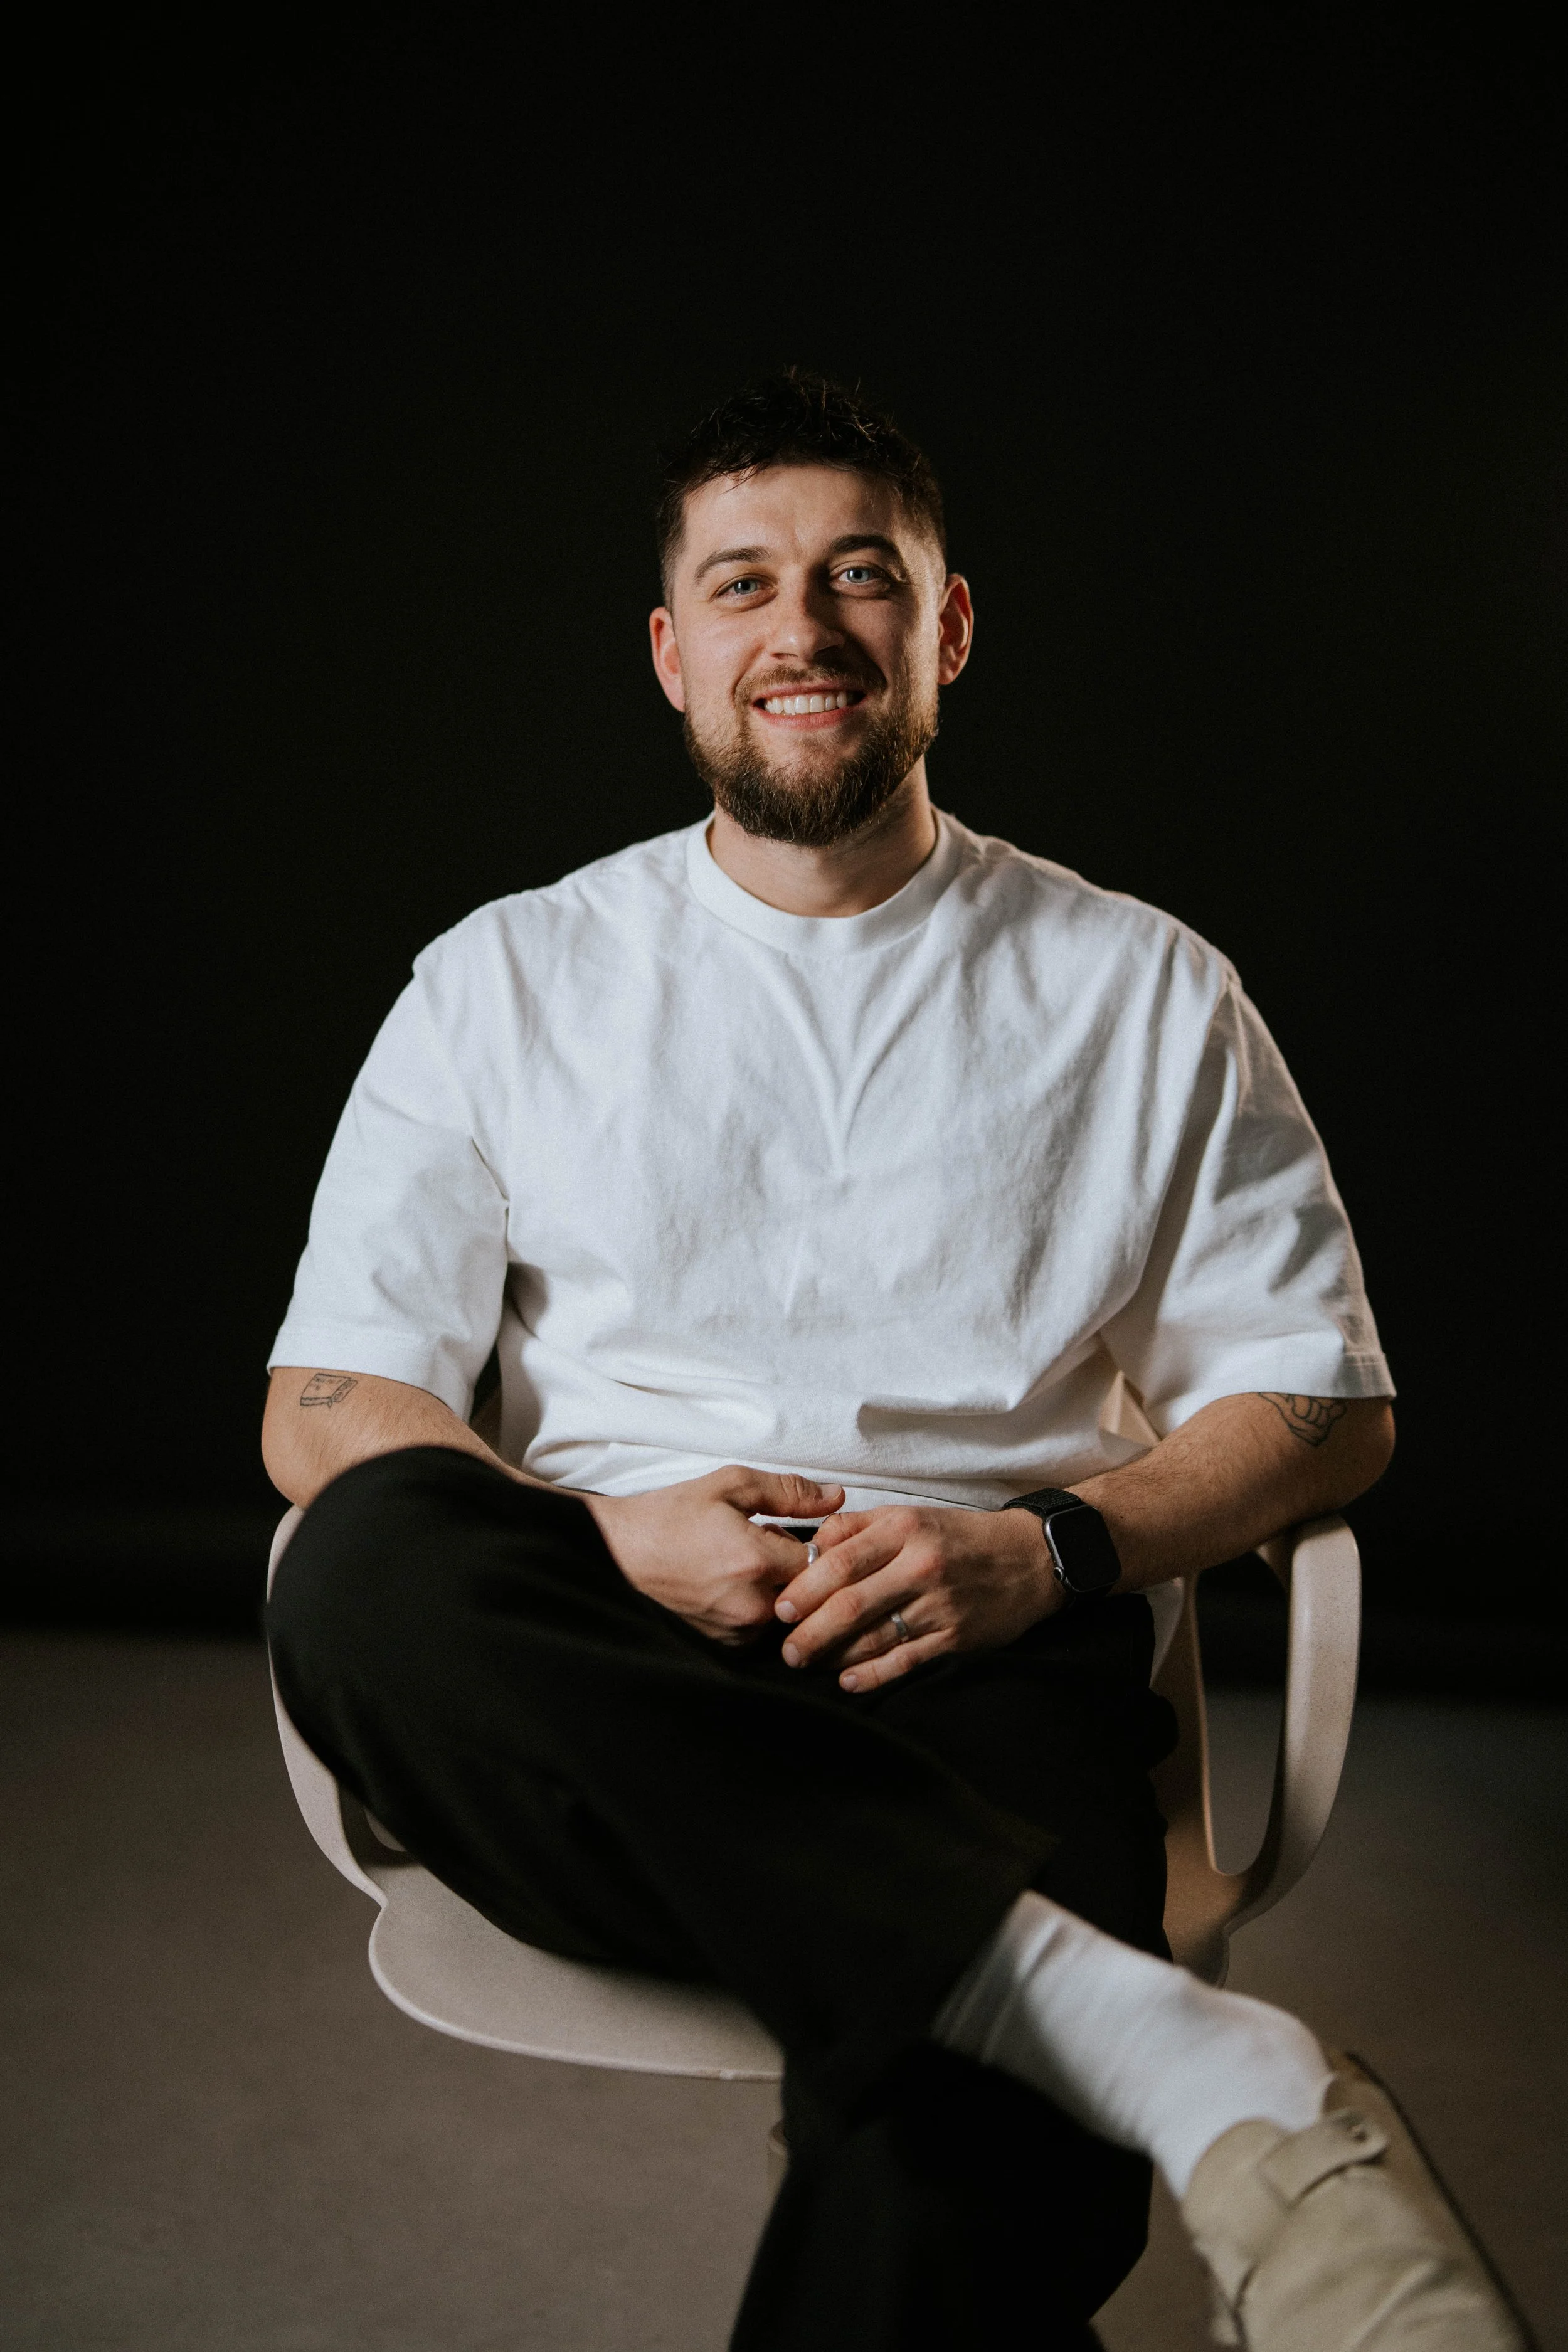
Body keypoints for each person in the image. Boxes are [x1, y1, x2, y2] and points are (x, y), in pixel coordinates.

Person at [262, 373, 1523, 2351]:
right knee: (364, 1555)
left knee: (956, 2158)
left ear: (943, 627)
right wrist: (607, 1539)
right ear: (677, 657)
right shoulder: (505, 977)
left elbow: (1320, 1402)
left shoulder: (1141, 985)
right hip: (597, 1661)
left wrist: (1054, 1544)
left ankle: (1023, 2009)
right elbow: (327, 1402)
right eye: (746, 584)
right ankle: (1146, 2036)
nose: (806, 628)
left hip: (989, 1656)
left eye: (861, 576)